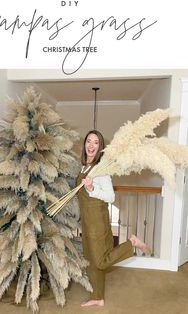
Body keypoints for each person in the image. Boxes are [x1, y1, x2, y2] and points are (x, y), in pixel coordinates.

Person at [77, 130, 149, 307]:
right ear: (85, 144)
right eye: (89, 141)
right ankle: (98, 297)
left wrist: (92, 188)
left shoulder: (102, 170)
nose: (91, 145)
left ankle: (131, 243)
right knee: (91, 260)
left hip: (97, 221)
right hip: (86, 220)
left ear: (100, 147)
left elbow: (111, 197)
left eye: (96, 142)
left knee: (100, 260)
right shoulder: (83, 167)